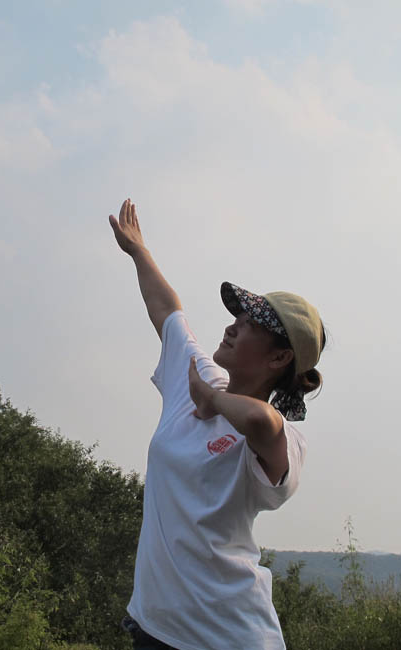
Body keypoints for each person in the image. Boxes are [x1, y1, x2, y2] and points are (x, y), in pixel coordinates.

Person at [108, 198, 328, 650]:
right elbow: (167, 311)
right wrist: (139, 251)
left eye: (249, 325)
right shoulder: (200, 377)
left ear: (279, 357)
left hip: (229, 637)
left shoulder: (283, 439)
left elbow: (262, 421)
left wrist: (213, 400)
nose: (232, 327)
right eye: (236, 318)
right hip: (155, 629)